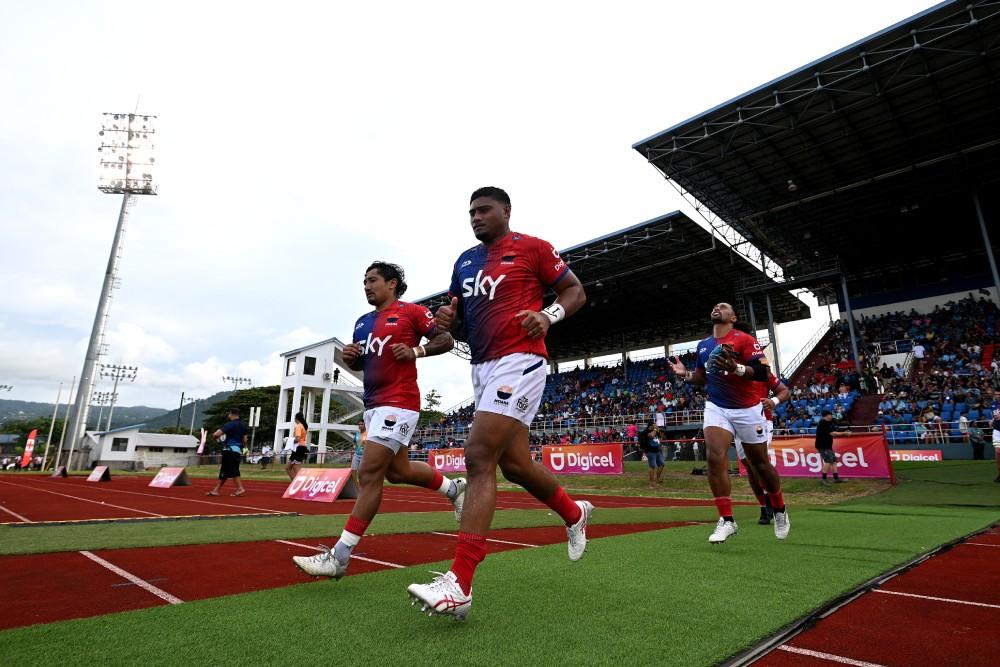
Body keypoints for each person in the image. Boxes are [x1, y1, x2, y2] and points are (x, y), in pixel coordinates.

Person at [407, 186, 591, 620]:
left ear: (506, 210)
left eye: (484, 210)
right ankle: (573, 513)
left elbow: (575, 292)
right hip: (483, 366)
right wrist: (448, 321)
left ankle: (461, 582)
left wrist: (548, 315)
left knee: (477, 455)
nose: (476, 217)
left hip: (522, 361)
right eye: (471, 212)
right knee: (516, 466)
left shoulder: (533, 248)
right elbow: (461, 325)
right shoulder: (464, 262)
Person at [293, 261, 466, 581]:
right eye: (364, 281)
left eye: (372, 280)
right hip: (373, 406)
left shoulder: (412, 312)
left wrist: (417, 351)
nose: (366, 286)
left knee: (370, 473)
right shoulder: (361, 323)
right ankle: (453, 489)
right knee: (398, 472)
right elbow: (368, 362)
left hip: (399, 403)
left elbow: (446, 341)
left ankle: (339, 556)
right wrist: (352, 358)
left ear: (393, 283)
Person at [668, 303, 789, 544]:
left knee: (760, 465)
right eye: (714, 306)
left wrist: (737, 368)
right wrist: (687, 375)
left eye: (723, 307)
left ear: (732, 317)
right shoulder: (703, 345)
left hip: (748, 410)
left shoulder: (744, 339)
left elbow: (763, 372)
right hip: (717, 407)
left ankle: (779, 509)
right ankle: (727, 519)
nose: (717, 308)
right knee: (714, 456)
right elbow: (703, 376)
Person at [731, 322, 791, 526]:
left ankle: (775, 504)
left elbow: (784, 390)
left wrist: (773, 401)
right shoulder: (728, 368)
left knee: (760, 463)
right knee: (749, 467)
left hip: (761, 420)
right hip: (737, 422)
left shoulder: (762, 369)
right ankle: (764, 506)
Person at [206, 409, 247, 497]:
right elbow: (245, 440)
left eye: (229, 413)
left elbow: (217, 434)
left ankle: (240, 488)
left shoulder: (230, 424)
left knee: (233, 470)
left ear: (231, 414)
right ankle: (216, 490)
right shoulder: (243, 425)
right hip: (237, 450)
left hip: (229, 450)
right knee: (225, 471)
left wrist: (215, 438)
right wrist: (244, 448)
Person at [815, 410, 849, 483]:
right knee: (828, 460)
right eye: (830, 414)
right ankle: (823, 479)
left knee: (833, 461)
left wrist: (843, 431)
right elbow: (832, 433)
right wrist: (844, 433)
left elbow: (834, 430)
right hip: (823, 446)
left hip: (827, 445)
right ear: (827, 415)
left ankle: (836, 478)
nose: (831, 416)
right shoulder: (823, 423)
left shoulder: (827, 423)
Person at [285, 412, 310, 481]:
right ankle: (294, 482)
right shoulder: (303, 426)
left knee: (296, 467)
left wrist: (290, 442)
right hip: (299, 447)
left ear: (296, 418)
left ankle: (300, 482)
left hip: (299, 447)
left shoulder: (299, 426)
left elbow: (298, 439)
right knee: (288, 468)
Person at [638, 422, 663, 488]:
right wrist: (655, 429)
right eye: (654, 425)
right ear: (651, 426)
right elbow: (651, 435)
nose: (656, 425)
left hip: (657, 451)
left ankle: (657, 479)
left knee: (661, 464)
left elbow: (661, 437)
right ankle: (651, 482)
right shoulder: (646, 432)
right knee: (652, 467)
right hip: (650, 451)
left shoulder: (655, 430)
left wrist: (658, 431)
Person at [351, 420, 366, 489]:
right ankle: (357, 487)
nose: (360, 425)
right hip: (356, 454)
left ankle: (363, 485)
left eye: (361, 424)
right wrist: (354, 446)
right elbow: (354, 442)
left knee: (361, 472)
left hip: (364, 455)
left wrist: (365, 445)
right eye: (359, 424)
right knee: (353, 470)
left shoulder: (368, 433)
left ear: (365, 425)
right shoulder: (357, 433)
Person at [992, 407, 1000, 482]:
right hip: (997, 432)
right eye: (996, 394)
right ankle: (999, 474)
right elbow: (995, 417)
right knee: (997, 452)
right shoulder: (994, 406)